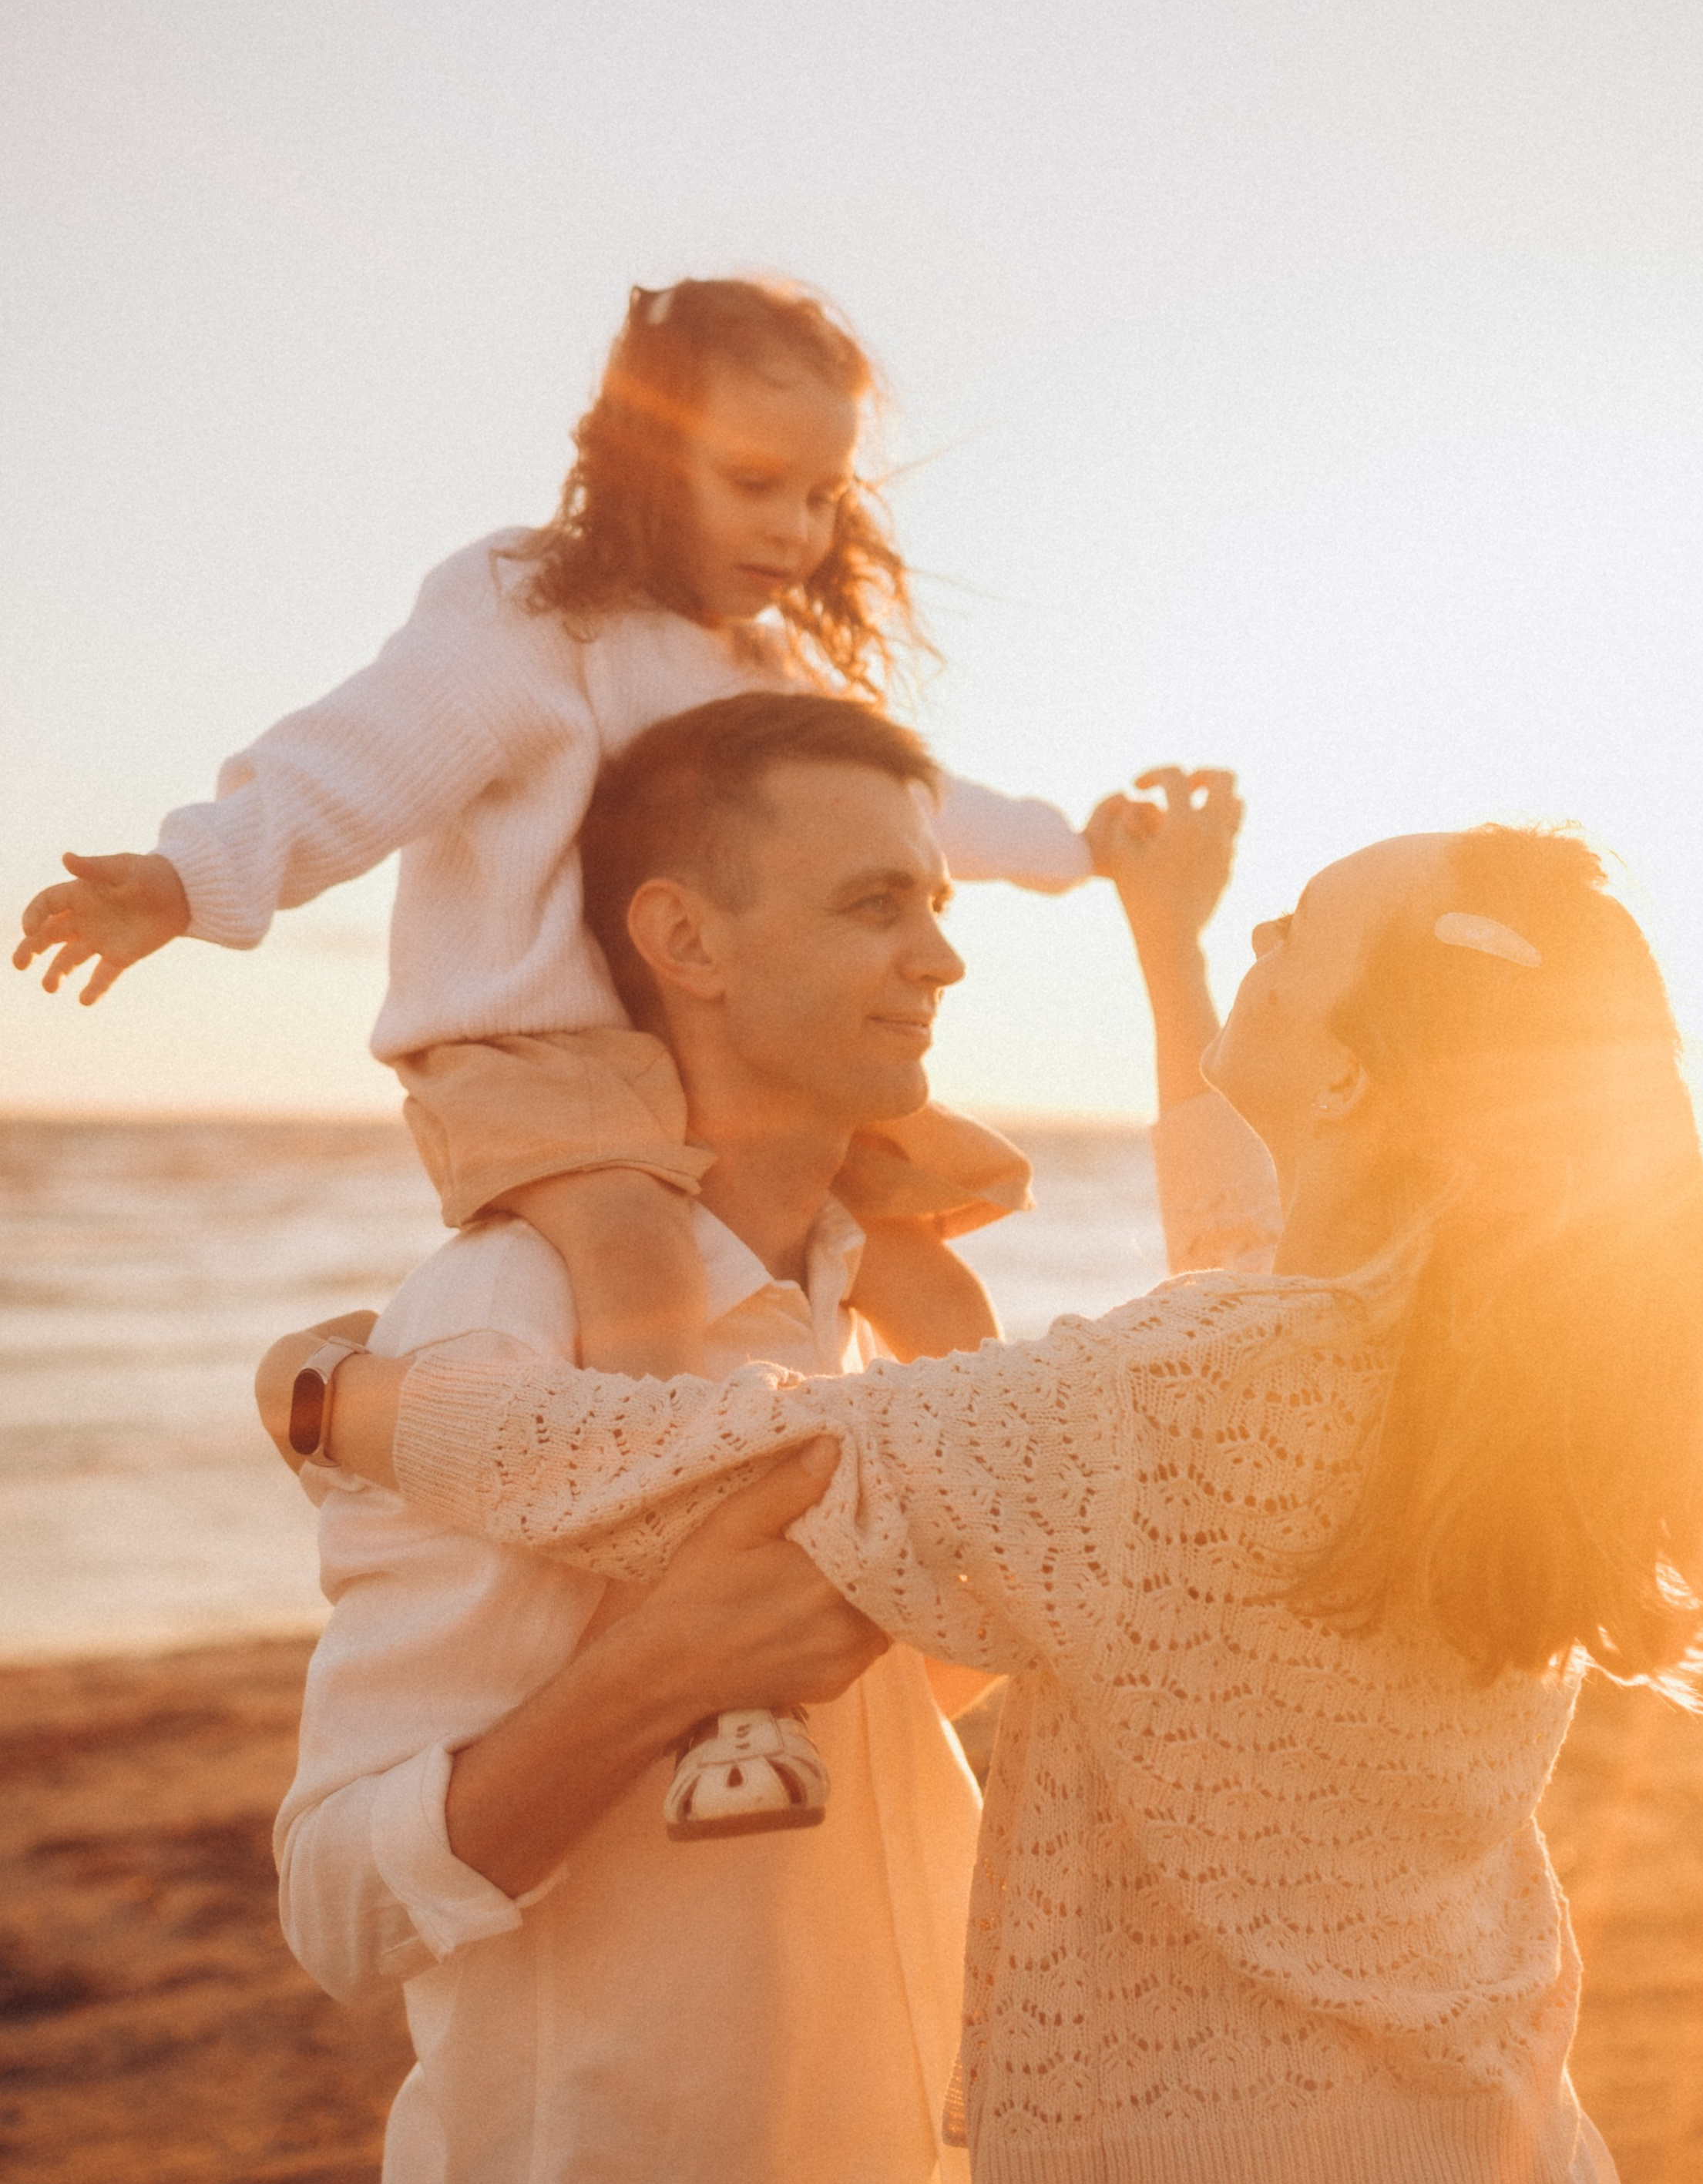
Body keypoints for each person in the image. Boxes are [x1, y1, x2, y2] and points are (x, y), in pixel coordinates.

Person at [286, 775, 1703, 2184]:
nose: (1264, 933)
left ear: (1358, 1082)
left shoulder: (1192, 1390)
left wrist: (331, 1396)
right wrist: (1169, 944)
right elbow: (1235, 1240)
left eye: (1297, 931)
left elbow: (693, 1459)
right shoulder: (1452, 1352)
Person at [267, 689, 1089, 2184]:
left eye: (935, 903)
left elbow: (890, 1706)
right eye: (874, 903)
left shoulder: (866, 1321)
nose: (941, 957)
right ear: (685, 941)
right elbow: (335, 1901)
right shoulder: (508, 1319)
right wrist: (655, 1672)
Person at [12, 275, 1105, 1380]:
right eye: (754, 482)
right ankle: (668, 1466)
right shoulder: (533, 615)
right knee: (641, 1256)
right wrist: (188, 878)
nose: (794, 528)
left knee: (922, 1261)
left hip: (705, 1055)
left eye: (824, 496)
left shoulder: (766, 670)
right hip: (535, 1048)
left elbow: (912, 814)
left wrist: (1078, 851)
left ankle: (1007, 1466)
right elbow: (365, 753)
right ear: (646, 459)